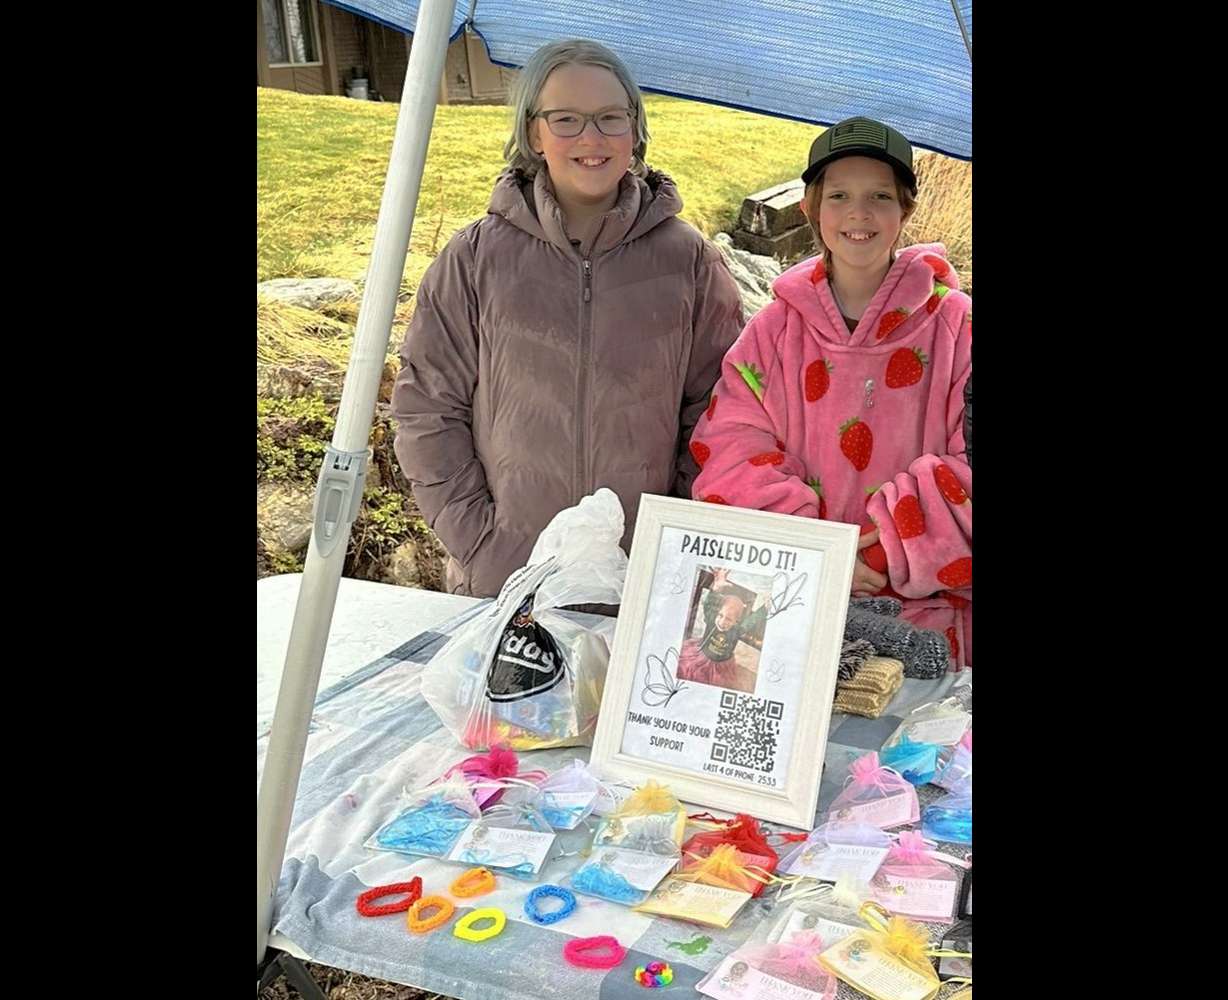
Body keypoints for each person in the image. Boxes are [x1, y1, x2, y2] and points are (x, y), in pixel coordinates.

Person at [392, 39, 743, 596]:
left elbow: (722, 414)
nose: (591, 138)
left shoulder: (689, 261)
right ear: (534, 133)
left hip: (641, 582)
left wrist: (672, 538)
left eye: (609, 118)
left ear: (635, 129)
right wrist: (482, 541)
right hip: (505, 582)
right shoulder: (475, 259)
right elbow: (426, 412)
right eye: (566, 119)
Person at [689, 117, 972, 668]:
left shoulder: (958, 328)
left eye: (879, 197)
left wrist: (891, 546)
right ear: (810, 210)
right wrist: (818, 549)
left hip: (928, 619)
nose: (858, 214)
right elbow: (729, 450)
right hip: (797, 603)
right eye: (839, 195)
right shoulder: (772, 331)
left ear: (906, 209)